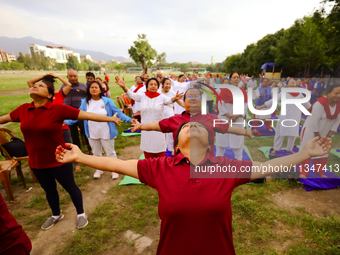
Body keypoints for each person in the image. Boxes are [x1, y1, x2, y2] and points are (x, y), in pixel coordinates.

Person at [56, 122, 331, 255]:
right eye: (187, 127)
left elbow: (268, 167)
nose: (193, 127)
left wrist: (305, 154)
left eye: (199, 126)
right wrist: (80, 156)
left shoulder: (224, 166)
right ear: (176, 145)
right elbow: (114, 163)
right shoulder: (159, 168)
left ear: (210, 145)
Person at [0, 74, 122, 230]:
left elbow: (86, 115)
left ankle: (81, 213)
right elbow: (3, 119)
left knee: (70, 187)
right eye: (34, 85)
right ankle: (56, 214)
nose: (35, 86)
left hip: (60, 159)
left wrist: (110, 119)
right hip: (37, 161)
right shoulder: (23, 109)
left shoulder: (57, 109)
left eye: (41, 86)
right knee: (49, 190)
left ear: (50, 95)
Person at [131, 88, 253, 157]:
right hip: (181, 165)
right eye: (189, 97)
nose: (193, 99)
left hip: (205, 166)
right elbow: (156, 125)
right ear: (184, 103)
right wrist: (141, 126)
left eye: (197, 97)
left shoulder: (211, 118)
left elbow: (229, 128)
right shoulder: (176, 120)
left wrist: (245, 132)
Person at [65, 81, 133, 179]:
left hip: (106, 132)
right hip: (92, 133)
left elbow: (118, 113)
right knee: (96, 153)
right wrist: (66, 122)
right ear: (89, 90)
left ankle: (115, 170)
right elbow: (77, 115)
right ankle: (99, 169)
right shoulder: (85, 102)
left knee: (110, 153)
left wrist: (130, 120)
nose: (93, 89)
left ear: (100, 90)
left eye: (96, 87)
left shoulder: (107, 101)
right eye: (92, 87)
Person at [115, 76, 184, 159]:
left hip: (158, 128)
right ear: (147, 86)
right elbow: (131, 95)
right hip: (145, 128)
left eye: (155, 84)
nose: (153, 86)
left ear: (158, 87)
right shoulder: (142, 96)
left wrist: (175, 98)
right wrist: (123, 87)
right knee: (148, 150)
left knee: (159, 152)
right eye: (151, 84)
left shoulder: (161, 97)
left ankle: (159, 169)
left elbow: (169, 100)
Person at [27, 73, 82, 173]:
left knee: (68, 146)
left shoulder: (59, 95)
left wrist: (57, 77)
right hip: (47, 129)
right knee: (51, 149)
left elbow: (68, 85)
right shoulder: (41, 97)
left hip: (63, 127)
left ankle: (76, 165)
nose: (39, 87)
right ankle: (55, 166)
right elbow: (30, 82)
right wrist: (43, 76)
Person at [257, 79, 311, 158]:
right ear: (287, 84)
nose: (293, 81)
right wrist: (261, 106)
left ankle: (290, 148)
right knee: (279, 132)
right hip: (284, 116)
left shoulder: (299, 94)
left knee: (293, 134)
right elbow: (273, 100)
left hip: (295, 116)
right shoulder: (283, 92)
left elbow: (307, 105)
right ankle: (276, 148)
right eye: (291, 80)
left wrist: (316, 108)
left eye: (294, 80)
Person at [299, 83, 340, 179]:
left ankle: (319, 171)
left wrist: (329, 135)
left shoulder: (339, 105)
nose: (338, 96)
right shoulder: (320, 104)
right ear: (328, 92)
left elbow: (337, 121)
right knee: (306, 150)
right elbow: (314, 121)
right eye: (336, 93)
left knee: (323, 151)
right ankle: (303, 172)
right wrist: (318, 136)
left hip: (326, 132)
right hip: (311, 130)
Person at [216, 72, 248, 160]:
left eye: (238, 77)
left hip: (237, 118)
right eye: (234, 77)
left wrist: (236, 116)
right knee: (221, 139)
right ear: (230, 80)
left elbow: (245, 105)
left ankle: (239, 160)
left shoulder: (243, 91)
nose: (236, 79)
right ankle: (219, 160)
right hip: (224, 117)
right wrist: (229, 115)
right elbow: (220, 104)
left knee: (238, 139)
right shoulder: (224, 90)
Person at [61, 69, 91, 154]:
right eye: (71, 76)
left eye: (75, 76)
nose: (73, 78)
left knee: (85, 131)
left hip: (81, 113)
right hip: (68, 114)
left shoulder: (83, 86)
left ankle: (90, 148)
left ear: (77, 76)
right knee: (73, 134)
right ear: (67, 77)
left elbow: (89, 98)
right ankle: (78, 151)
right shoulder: (64, 86)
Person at [160, 78, 176, 153]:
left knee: (170, 132)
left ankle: (171, 149)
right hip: (160, 114)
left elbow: (179, 103)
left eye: (169, 84)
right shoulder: (158, 93)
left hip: (170, 114)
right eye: (166, 84)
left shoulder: (173, 93)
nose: (168, 85)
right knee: (160, 131)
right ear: (162, 84)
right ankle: (161, 148)